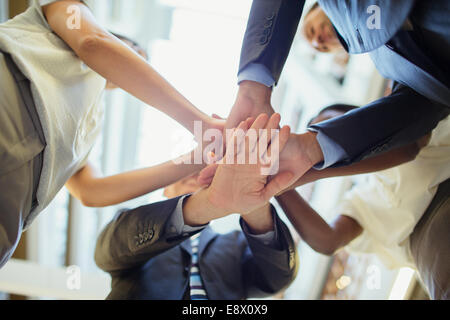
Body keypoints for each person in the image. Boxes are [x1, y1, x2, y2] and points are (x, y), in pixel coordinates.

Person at [0, 0, 223, 268]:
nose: (136, 69)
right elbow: (94, 43)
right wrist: (201, 124)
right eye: (134, 54)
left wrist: (196, 160)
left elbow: (91, 192)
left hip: (12, 207)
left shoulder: (89, 127)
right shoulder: (65, 12)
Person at [219, 0, 450, 191]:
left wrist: (253, 90)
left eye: (311, 31)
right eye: (321, 49)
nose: (319, 41)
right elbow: (422, 112)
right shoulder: (390, 67)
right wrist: (311, 148)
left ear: (319, 6)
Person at [94, 114, 299, 300]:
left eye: (205, 170)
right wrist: (205, 205)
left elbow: (278, 278)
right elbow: (106, 252)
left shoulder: (236, 244)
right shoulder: (137, 231)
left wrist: (254, 202)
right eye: (185, 174)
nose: (195, 174)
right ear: (166, 190)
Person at [275, 105, 450, 300]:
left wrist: (308, 169)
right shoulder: (361, 199)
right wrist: (277, 184)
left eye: (329, 126)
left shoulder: (410, 118)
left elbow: (409, 146)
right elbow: (328, 240)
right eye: (321, 153)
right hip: (434, 250)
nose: (323, 146)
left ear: (355, 113)